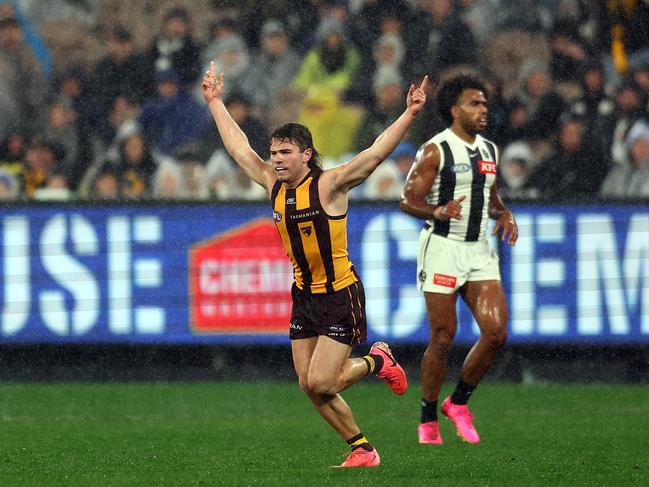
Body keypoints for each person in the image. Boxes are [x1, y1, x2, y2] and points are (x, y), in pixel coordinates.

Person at [202, 61, 428, 467]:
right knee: (310, 386)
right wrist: (216, 102)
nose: (276, 160)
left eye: (285, 153)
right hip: (304, 295)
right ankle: (363, 449)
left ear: (306, 154)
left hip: (340, 293)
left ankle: (378, 360)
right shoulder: (272, 183)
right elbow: (238, 148)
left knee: (324, 380)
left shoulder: (330, 184)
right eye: (273, 153)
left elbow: (374, 154)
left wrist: (409, 113)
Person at [399, 74, 518, 445]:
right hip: (443, 248)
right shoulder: (435, 150)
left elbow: (490, 197)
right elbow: (407, 200)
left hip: (479, 250)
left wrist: (505, 213)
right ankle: (427, 417)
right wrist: (437, 210)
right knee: (443, 336)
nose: (483, 110)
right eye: (474, 103)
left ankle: (459, 402)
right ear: (454, 110)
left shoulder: (489, 150)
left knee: (496, 332)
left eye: (484, 103)